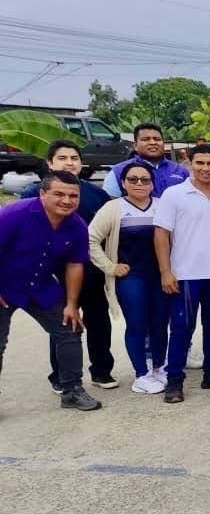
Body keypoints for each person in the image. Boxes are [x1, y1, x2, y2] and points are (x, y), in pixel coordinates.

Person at [0, 171, 102, 410]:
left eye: (73, 196)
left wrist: (71, 304)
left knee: (70, 328)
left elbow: (75, 265)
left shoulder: (77, 225)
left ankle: (72, 391)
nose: (66, 201)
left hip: (40, 287)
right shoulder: (14, 214)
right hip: (5, 285)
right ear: (42, 193)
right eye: (59, 194)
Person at [22, 139, 117, 390]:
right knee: (62, 323)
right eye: (62, 158)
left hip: (90, 270)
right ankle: (60, 377)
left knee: (98, 320)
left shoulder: (96, 194)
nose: (69, 163)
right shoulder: (34, 193)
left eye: (74, 158)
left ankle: (101, 371)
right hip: (51, 273)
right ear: (50, 163)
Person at [153, 144, 210, 403]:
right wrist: (165, 271)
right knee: (181, 328)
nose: (205, 168)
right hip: (185, 275)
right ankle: (174, 381)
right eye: (200, 163)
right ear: (190, 163)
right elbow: (161, 234)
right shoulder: (174, 195)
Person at [88, 159, 168, 394]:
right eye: (133, 179)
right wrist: (110, 267)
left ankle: (158, 368)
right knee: (137, 324)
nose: (139, 183)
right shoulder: (113, 208)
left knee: (160, 324)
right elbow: (90, 239)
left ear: (152, 183)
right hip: (132, 278)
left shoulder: (162, 206)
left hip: (159, 276)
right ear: (123, 183)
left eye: (145, 179)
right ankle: (141, 374)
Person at [103, 123, 189, 197]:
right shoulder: (118, 172)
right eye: (145, 139)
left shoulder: (180, 171)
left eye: (157, 139)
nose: (153, 142)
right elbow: (110, 205)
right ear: (135, 146)